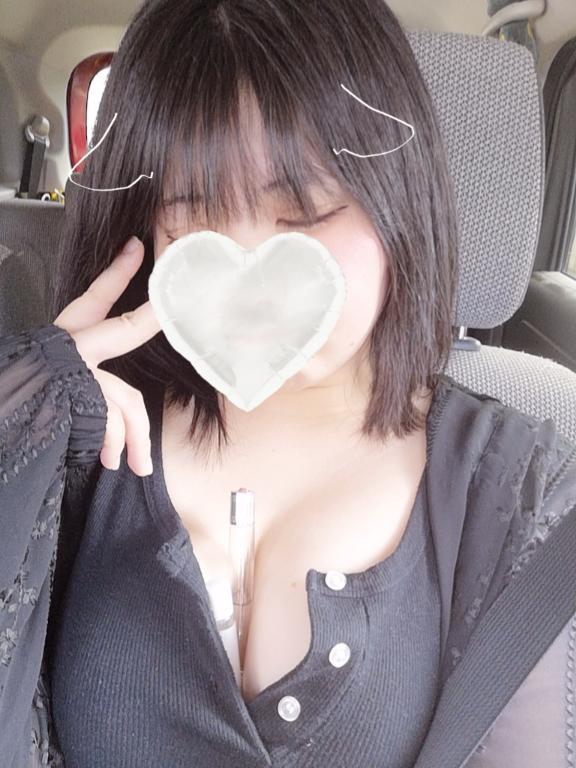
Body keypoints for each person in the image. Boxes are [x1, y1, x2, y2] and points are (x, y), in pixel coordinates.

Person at [0, 0, 575, 766]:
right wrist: (25, 418)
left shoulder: (525, 494)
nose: (250, 282)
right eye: (191, 215)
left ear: (399, 199)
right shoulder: (69, 437)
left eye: (304, 213)